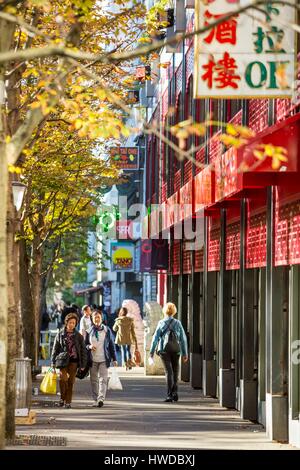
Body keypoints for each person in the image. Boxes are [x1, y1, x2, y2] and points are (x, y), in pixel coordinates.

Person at [149, 302, 188, 403]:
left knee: (168, 372)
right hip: (176, 350)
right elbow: (183, 339)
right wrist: (185, 353)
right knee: (175, 372)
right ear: (174, 311)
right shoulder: (177, 323)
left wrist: (151, 352)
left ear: (165, 311)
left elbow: (155, 338)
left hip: (164, 350)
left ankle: (169, 395)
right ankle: (175, 393)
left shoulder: (161, 323)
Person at [51, 313, 87, 408]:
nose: (72, 324)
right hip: (62, 361)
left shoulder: (79, 336)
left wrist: (83, 364)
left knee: (71, 382)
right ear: (66, 323)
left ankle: (68, 402)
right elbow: (55, 349)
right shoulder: (60, 334)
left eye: (74, 323)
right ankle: (62, 398)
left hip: (74, 361)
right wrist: (52, 363)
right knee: (63, 380)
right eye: (70, 322)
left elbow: (83, 350)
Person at [85, 310, 117, 407]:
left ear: (102, 318)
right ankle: (95, 399)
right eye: (95, 318)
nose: (97, 319)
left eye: (99, 317)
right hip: (93, 359)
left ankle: (101, 399)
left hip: (104, 358)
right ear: (92, 319)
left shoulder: (107, 330)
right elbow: (84, 345)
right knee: (94, 380)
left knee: (103, 379)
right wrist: (89, 347)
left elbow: (111, 345)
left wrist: (114, 358)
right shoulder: (89, 331)